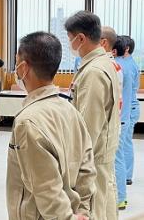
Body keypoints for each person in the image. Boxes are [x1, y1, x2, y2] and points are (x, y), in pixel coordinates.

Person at [6, 31, 96, 220]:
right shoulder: (71, 111)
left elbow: (46, 189)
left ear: (23, 68)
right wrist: (83, 212)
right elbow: (87, 170)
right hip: (74, 211)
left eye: (16, 63)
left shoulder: (28, 122)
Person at [65, 11, 120, 220]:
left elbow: (88, 129)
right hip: (101, 156)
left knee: (96, 209)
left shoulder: (94, 72)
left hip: (93, 162)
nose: (70, 45)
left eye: (70, 39)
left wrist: (74, 169)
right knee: (105, 205)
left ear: (81, 38)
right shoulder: (102, 63)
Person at [112, 36, 133, 210]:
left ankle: (120, 197)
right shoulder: (125, 65)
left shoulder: (118, 67)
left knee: (117, 156)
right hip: (123, 116)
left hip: (120, 117)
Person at [122, 36, 140, 187]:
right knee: (125, 141)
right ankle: (126, 174)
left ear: (126, 48)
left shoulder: (127, 64)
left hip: (130, 107)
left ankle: (127, 175)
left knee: (126, 141)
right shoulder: (127, 63)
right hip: (130, 106)